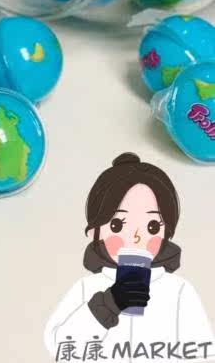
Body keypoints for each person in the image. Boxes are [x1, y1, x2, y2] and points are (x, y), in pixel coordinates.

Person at [44, 153, 213, 360]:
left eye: (152, 226)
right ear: (95, 231)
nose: (136, 236)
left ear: (166, 233)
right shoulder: (86, 288)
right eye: (117, 225)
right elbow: (59, 347)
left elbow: (205, 352)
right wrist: (107, 305)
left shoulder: (178, 290)